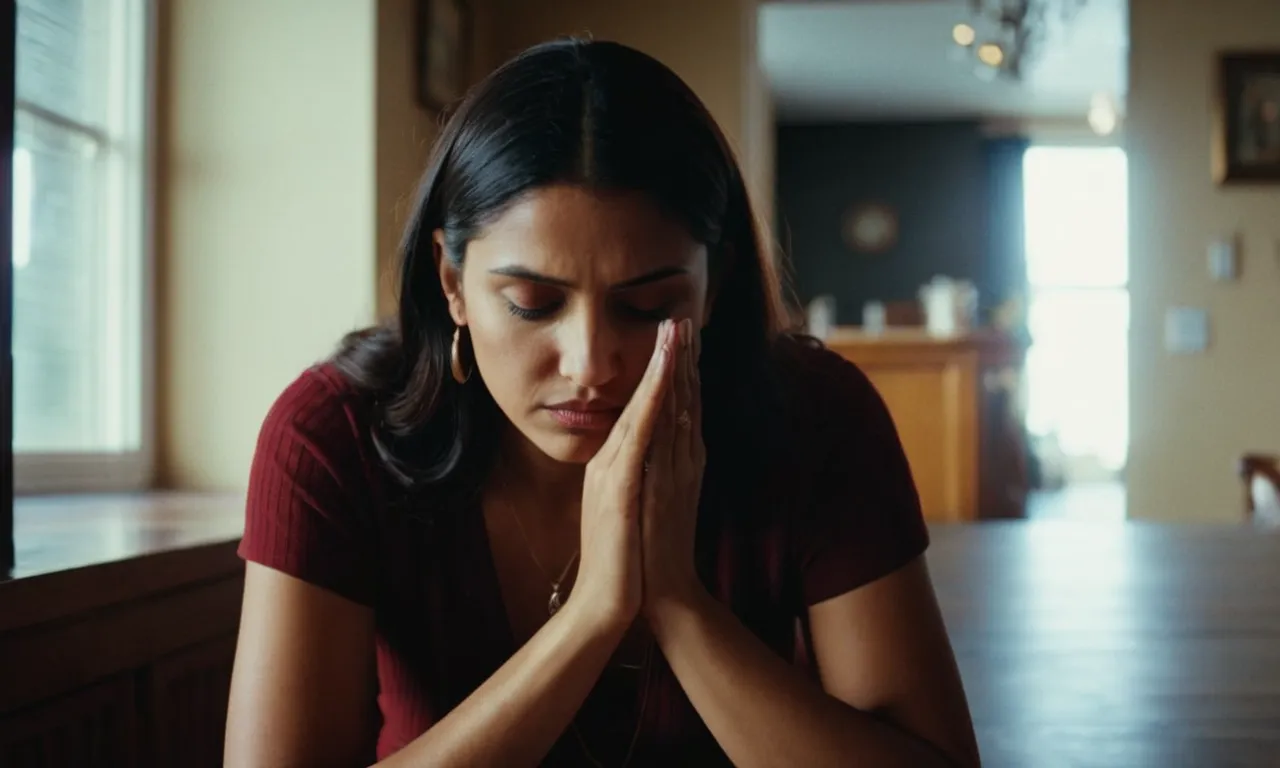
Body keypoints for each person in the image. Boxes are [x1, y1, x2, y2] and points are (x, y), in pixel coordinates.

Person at [224, 38, 980, 768]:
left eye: (648, 307)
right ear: (451, 283)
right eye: (530, 303)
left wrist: (679, 604)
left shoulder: (817, 418)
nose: (590, 365)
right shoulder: (332, 435)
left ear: (712, 288)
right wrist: (593, 616)